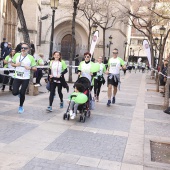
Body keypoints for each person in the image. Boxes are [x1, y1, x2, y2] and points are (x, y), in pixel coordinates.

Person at [11, 43, 37, 113]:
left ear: (28, 49)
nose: (23, 49)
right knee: (14, 92)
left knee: (23, 93)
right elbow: (12, 63)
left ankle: (21, 106)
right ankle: (19, 94)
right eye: (22, 48)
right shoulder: (16, 55)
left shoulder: (31, 57)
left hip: (25, 78)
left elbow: (35, 68)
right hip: (17, 77)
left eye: (25, 48)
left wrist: (30, 68)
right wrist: (16, 65)